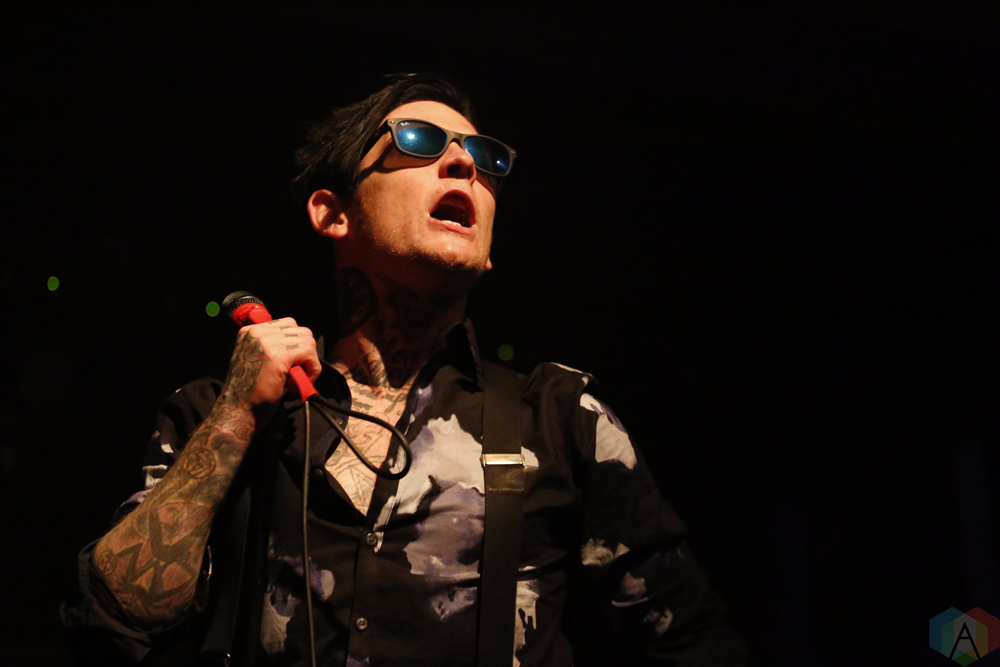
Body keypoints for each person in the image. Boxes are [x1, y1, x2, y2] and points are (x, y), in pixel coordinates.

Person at [64, 73, 745, 666]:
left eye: (484, 157)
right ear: (332, 213)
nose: (465, 165)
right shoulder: (219, 410)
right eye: (419, 141)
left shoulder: (561, 417)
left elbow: (693, 639)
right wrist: (237, 417)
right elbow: (119, 614)